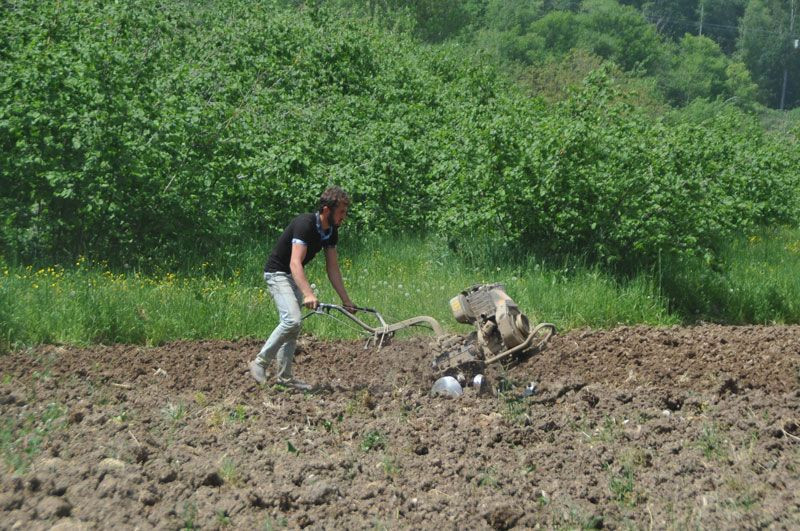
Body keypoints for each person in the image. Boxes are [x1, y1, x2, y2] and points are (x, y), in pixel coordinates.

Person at [249, 185, 356, 390]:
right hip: (278, 273)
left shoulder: (331, 231)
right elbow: (294, 262)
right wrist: (308, 293)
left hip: (292, 275)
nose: (344, 216)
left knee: (293, 326)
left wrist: (346, 300)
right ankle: (259, 363)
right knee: (292, 320)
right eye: (341, 211)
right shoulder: (305, 224)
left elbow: (332, 268)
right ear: (327, 210)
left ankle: (285, 379)